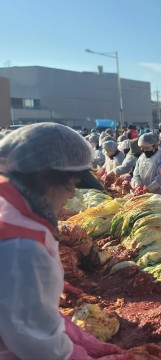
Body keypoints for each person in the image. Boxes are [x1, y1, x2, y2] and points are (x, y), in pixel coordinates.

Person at [0, 123, 127, 358]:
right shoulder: (21, 246)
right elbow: (39, 345)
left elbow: (33, 313)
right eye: (72, 184)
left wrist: (82, 340)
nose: (71, 195)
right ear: (46, 179)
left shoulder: (14, 207)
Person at [131, 132, 161, 197]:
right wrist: (138, 185)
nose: (144, 150)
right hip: (148, 195)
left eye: (147, 148)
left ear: (155, 146)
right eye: (142, 148)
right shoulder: (141, 158)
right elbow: (136, 174)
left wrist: (147, 190)